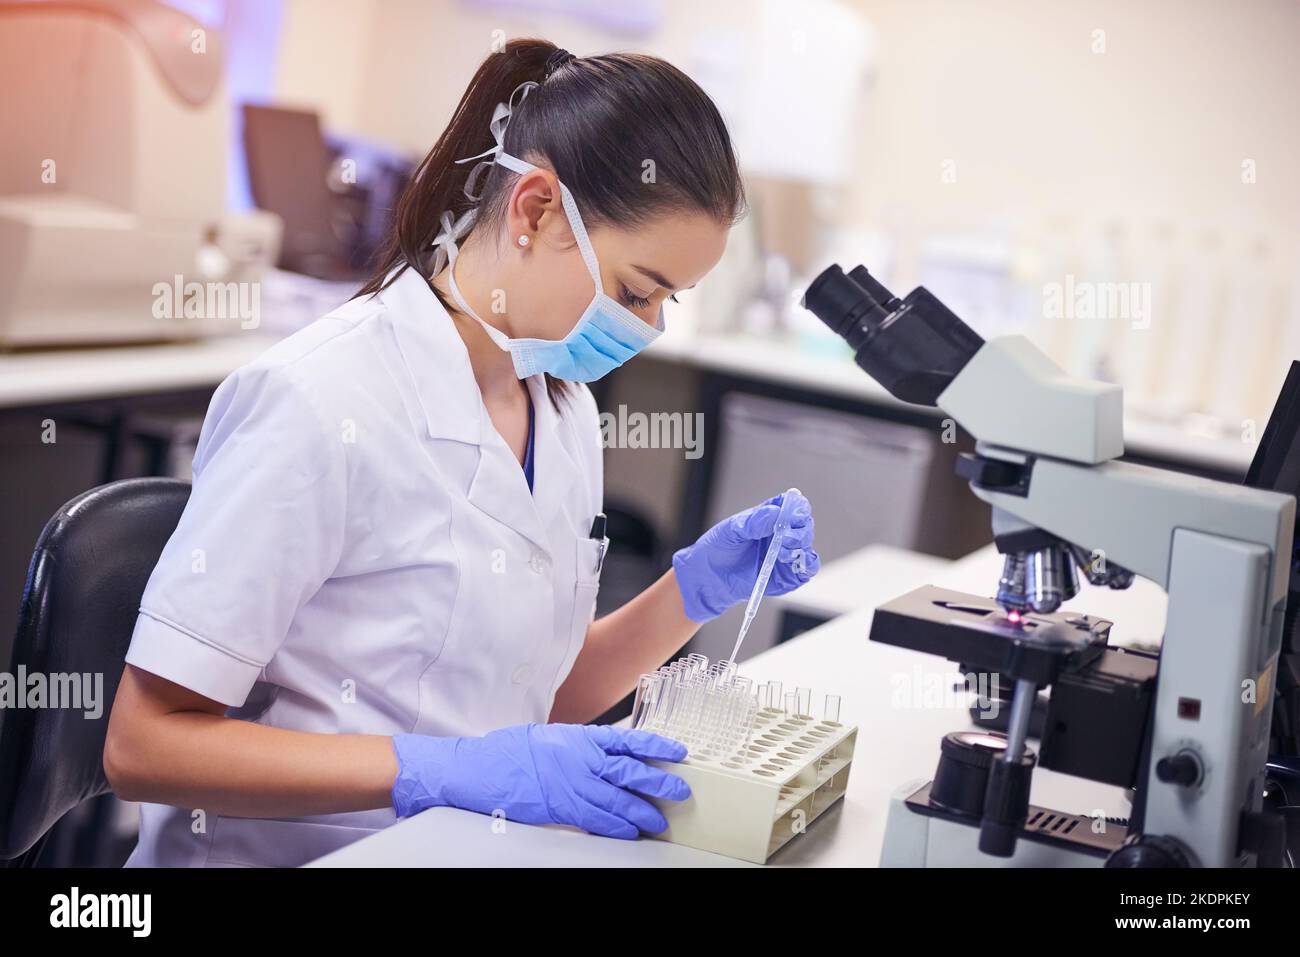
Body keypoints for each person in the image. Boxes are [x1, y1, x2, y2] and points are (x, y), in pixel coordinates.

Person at [104, 39, 819, 867]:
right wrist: (437, 770)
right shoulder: (321, 399)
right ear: (536, 210)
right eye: (636, 290)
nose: (650, 327)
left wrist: (690, 594)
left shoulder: (560, 407)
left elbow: (527, 693)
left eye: (667, 300)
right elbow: (144, 746)